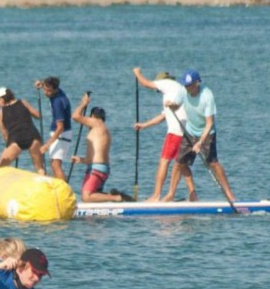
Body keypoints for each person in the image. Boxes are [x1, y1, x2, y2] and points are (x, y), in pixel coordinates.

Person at [165, 69, 238, 203]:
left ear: (197, 83)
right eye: (186, 85)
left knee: (213, 164)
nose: (187, 88)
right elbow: (176, 106)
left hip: (206, 133)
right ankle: (171, 194)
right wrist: (172, 105)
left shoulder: (207, 96)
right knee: (179, 163)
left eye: (190, 85)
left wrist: (200, 142)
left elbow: (210, 123)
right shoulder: (183, 91)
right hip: (190, 131)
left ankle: (229, 194)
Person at [132, 68, 197, 202]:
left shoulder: (165, 83)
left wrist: (137, 73)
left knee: (164, 162)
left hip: (175, 132)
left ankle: (156, 196)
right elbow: (163, 116)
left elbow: (145, 83)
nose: (157, 90)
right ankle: (193, 195)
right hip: (187, 133)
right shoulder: (177, 90)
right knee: (182, 164)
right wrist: (144, 125)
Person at [70, 93, 131, 202]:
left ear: (92, 116)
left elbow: (75, 116)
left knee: (86, 197)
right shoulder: (103, 129)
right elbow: (92, 158)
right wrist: (81, 159)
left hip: (97, 169)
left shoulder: (97, 122)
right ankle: (113, 195)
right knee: (92, 196)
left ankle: (118, 198)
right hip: (99, 168)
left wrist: (83, 104)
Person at [0, 87, 45, 174]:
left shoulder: (1, 113)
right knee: (40, 168)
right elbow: (38, 115)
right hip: (33, 136)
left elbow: (4, 134)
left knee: (0, 168)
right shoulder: (23, 102)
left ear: (2, 99)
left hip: (15, 139)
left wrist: (7, 147)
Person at [36, 77, 72, 180]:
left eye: (48, 91)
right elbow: (47, 84)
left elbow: (60, 127)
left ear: (55, 89)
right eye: (45, 89)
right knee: (53, 164)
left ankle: (64, 192)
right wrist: (41, 83)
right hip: (60, 134)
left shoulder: (58, 103)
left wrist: (47, 145)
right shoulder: (57, 91)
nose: (46, 93)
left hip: (61, 134)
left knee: (56, 165)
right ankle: (58, 190)